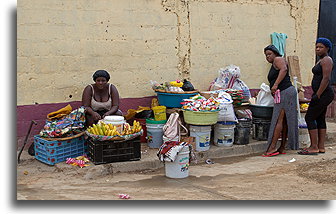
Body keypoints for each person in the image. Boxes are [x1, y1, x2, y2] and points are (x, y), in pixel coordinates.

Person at [298, 38, 334, 155]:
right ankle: (321, 146)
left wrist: (317, 94)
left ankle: (313, 146)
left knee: (309, 117)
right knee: (320, 118)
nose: (318, 49)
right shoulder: (322, 60)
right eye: (316, 47)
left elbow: (326, 78)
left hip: (323, 94)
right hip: (322, 94)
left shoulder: (327, 60)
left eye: (321, 47)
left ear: (327, 48)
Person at [262, 45, 299, 157]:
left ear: (275, 53)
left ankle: (272, 148)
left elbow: (284, 69)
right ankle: (282, 147)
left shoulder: (278, 59)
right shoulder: (274, 63)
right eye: (266, 55)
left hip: (285, 92)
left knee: (278, 119)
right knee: (284, 121)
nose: (268, 57)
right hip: (285, 92)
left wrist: (276, 84)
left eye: (269, 54)